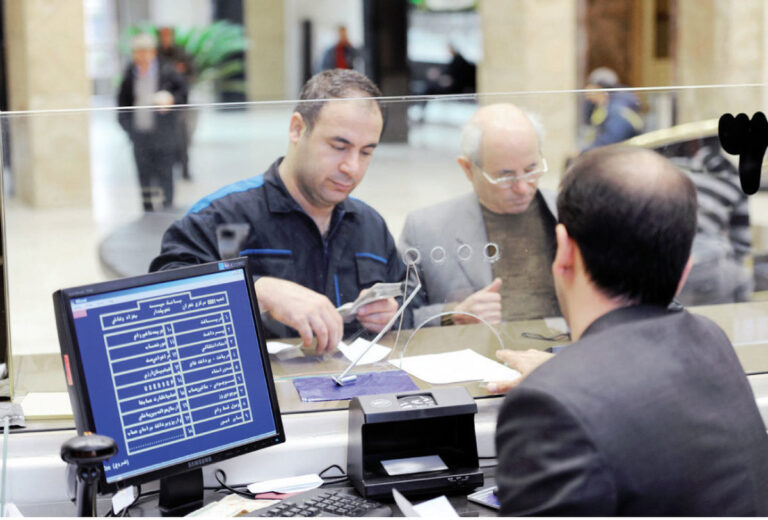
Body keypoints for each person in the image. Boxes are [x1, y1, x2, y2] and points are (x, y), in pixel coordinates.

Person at [494, 146, 768, 515]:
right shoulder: (710, 339)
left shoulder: (546, 406)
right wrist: (566, 377)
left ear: (563, 251)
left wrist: (563, 383)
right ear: (685, 267)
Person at [150, 69, 405, 353]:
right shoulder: (221, 217)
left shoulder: (370, 226)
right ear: (297, 129)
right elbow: (162, 303)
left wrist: (390, 315)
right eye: (338, 146)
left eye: (366, 152)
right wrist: (258, 291)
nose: (352, 168)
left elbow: (411, 305)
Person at [399, 104, 559, 326]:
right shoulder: (426, 230)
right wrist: (452, 313)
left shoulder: (570, 215)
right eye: (505, 176)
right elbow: (399, 319)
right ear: (467, 169)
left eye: (531, 170)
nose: (523, 187)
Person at [669, 137, 753, 304]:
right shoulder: (733, 177)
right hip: (714, 268)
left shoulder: (667, 171)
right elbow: (742, 245)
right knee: (741, 282)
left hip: (671, 264)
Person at [118, 33, 188, 211]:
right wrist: (129, 129)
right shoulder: (129, 74)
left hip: (163, 134)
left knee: (165, 173)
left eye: (145, 51)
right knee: (144, 175)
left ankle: (167, 208)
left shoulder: (167, 71)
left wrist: (171, 99)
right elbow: (122, 104)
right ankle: (147, 209)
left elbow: (183, 94)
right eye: (138, 52)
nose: (141, 56)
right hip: (140, 134)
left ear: (153, 52)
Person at [158, 26, 196, 181]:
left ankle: (185, 170)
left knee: (182, 139)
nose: (166, 38)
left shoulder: (181, 53)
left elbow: (191, 73)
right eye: (163, 35)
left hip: (179, 103)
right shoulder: (157, 54)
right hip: (160, 104)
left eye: (168, 35)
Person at [582, 67, 643, 150]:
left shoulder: (617, 109)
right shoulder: (605, 107)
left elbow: (610, 141)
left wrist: (583, 153)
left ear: (599, 88)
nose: (586, 92)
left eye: (589, 85)